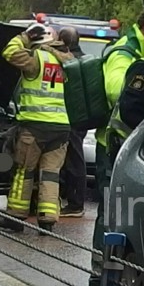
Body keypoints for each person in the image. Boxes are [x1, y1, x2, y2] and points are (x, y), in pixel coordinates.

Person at [89, 10, 144, 286]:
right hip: (112, 145)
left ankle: (118, 274)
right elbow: (115, 91)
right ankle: (100, 277)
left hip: (133, 146)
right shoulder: (125, 51)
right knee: (111, 212)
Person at [0, 22, 74, 232]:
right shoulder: (69, 62)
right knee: (50, 174)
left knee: (24, 171)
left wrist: (24, 36)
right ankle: (48, 219)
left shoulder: (36, 59)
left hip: (35, 126)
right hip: (61, 128)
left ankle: (16, 217)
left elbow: (9, 52)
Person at [56, 26, 87, 218]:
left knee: (73, 160)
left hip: (69, 117)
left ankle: (75, 204)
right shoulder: (84, 59)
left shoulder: (68, 61)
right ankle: (72, 200)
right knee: (73, 158)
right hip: (81, 118)